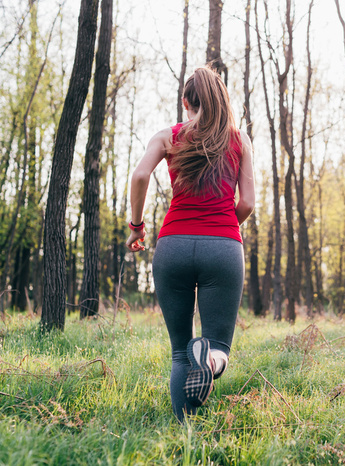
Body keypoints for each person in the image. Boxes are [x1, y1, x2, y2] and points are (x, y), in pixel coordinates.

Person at [125, 66, 255, 422]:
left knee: (180, 352)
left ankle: (183, 432)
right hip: (223, 248)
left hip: (173, 245)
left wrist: (137, 226)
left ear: (186, 102)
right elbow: (246, 203)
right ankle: (210, 360)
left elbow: (139, 175)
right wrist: (225, 227)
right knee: (218, 347)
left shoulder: (169, 135)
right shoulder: (239, 140)